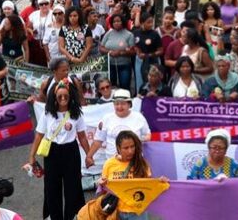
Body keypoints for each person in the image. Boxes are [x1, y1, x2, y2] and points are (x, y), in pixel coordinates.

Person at [27, 80, 89, 220]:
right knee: (51, 188)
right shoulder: (47, 114)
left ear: (70, 96)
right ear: (54, 97)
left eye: (65, 96)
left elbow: (83, 137)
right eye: (59, 96)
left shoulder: (76, 113)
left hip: (71, 152)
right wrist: (31, 156)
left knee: (72, 188)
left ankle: (72, 217)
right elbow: (39, 135)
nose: (62, 99)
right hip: (52, 153)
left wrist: (89, 155)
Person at [97, 130, 164, 220]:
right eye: (126, 148)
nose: (130, 151)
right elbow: (104, 192)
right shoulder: (109, 164)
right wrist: (100, 183)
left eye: (132, 146)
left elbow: (148, 187)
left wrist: (160, 182)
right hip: (115, 212)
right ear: (118, 148)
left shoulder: (142, 163)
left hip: (138, 214)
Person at [85, 89, 150, 168]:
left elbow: (148, 135)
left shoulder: (139, 117)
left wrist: (138, 140)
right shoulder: (106, 118)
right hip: (113, 164)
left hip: (134, 163)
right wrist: (89, 156)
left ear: (129, 104)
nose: (119, 107)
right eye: (117, 104)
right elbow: (98, 141)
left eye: (123, 104)